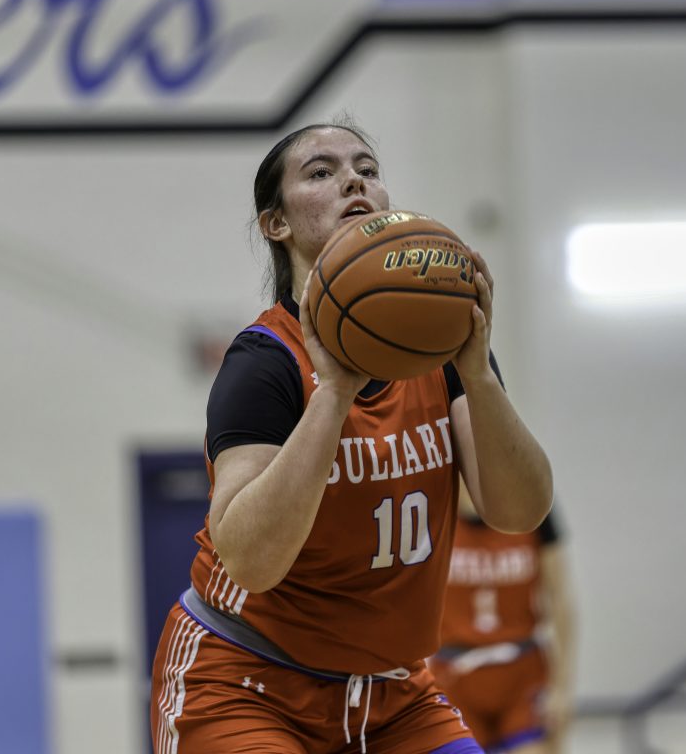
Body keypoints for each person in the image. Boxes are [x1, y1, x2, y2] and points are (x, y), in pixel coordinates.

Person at [151, 120, 553, 754]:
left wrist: (478, 373)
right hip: (244, 681)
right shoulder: (265, 361)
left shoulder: (439, 347)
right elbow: (251, 562)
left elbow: (519, 512)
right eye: (321, 172)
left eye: (367, 169)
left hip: (392, 694)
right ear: (276, 224)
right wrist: (333, 394)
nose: (353, 182)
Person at [429, 481, 576, 754]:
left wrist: (563, 688)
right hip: (454, 674)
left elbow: (560, 598)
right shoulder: (432, 505)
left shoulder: (532, 502)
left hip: (520, 672)